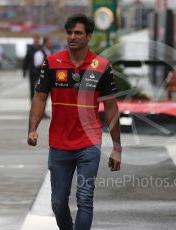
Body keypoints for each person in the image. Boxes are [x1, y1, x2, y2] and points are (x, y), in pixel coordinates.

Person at [27, 14, 122, 230]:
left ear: (89, 36)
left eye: (78, 33)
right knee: (58, 202)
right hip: (59, 144)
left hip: (89, 144)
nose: (72, 37)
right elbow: (40, 97)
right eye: (69, 32)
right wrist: (32, 129)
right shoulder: (52, 63)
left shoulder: (102, 66)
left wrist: (117, 147)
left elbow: (111, 107)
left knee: (85, 200)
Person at [23, 35, 40, 100]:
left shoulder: (41, 49)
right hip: (32, 71)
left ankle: (38, 100)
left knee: (40, 87)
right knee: (32, 87)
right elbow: (26, 61)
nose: (36, 42)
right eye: (34, 40)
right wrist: (24, 72)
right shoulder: (30, 50)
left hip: (40, 72)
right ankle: (32, 100)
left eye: (37, 40)